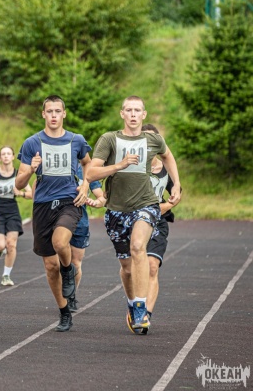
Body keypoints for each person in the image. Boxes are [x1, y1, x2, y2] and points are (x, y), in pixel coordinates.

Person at [86, 96, 181, 332]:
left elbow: (168, 156)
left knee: (138, 246)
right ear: (122, 114)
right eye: (128, 110)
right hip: (117, 211)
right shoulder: (109, 139)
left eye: (137, 110)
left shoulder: (153, 139)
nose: (133, 114)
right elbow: (91, 173)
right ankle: (132, 303)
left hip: (146, 204)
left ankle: (141, 307)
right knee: (127, 268)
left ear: (144, 114)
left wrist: (176, 184)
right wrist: (119, 165)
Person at [15, 95, 92, 332]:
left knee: (60, 243)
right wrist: (31, 170)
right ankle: (64, 311)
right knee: (50, 266)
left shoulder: (76, 140)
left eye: (58, 111)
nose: (54, 115)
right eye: (50, 111)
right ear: (43, 114)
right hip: (42, 205)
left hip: (69, 201)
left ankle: (68, 270)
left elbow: (88, 164)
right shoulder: (32, 143)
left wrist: (85, 185)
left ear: (64, 114)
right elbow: (19, 183)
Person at [134, 123, 181, 335]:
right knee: (131, 268)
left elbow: (175, 195)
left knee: (152, 266)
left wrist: (165, 205)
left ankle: (145, 315)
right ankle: (135, 304)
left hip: (157, 222)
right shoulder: (133, 167)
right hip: (134, 221)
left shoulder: (166, 169)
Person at [0, 146, 33, 286]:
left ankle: (6, 275)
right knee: (0, 246)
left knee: (11, 244)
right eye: (3, 154)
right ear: (0, 157)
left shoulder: (18, 174)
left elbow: (31, 193)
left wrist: (21, 193)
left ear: (13, 157)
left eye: (8, 154)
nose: (6, 156)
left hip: (12, 211)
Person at [68, 165, 106, 312]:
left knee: (75, 263)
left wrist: (95, 202)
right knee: (59, 263)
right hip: (56, 220)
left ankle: (71, 296)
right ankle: (63, 293)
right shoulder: (57, 167)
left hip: (80, 222)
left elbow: (101, 198)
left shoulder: (87, 171)